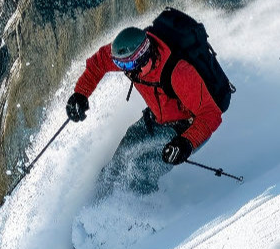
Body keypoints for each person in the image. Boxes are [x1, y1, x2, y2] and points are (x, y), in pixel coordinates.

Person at [64, 25, 223, 198]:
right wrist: (80, 93)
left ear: (145, 55)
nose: (127, 71)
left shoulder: (179, 72)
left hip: (185, 131)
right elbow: (99, 62)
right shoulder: (130, 61)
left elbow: (210, 114)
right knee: (116, 165)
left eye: (130, 64)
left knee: (140, 171)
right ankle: (94, 203)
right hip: (155, 120)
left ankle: (137, 216)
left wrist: (185, 143)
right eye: (120, 65)